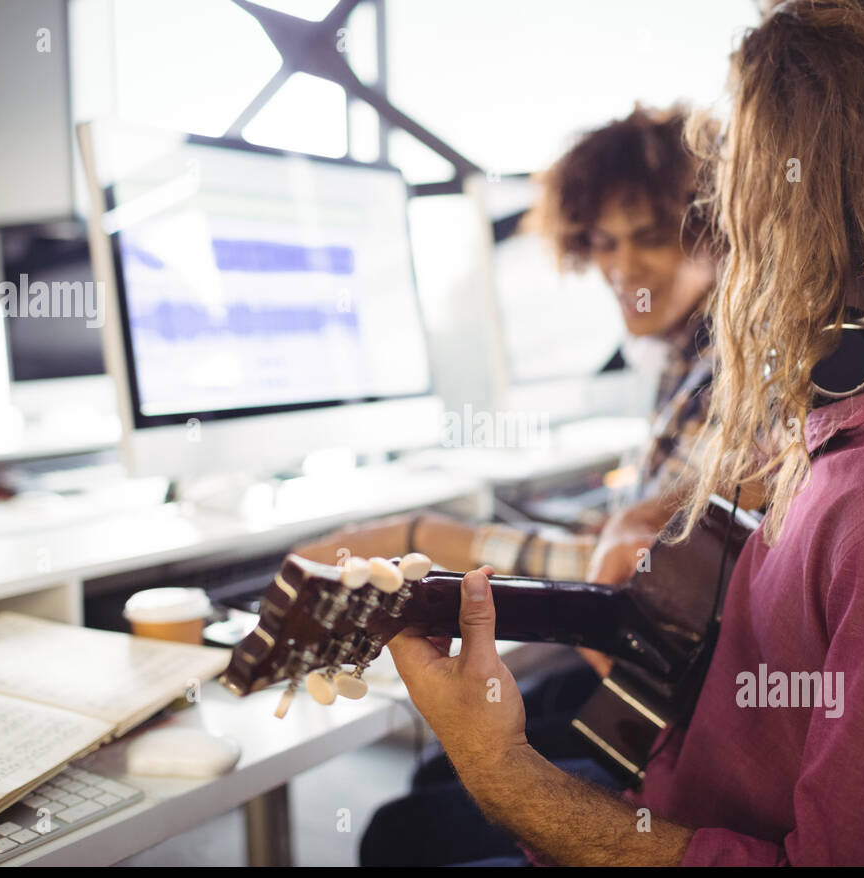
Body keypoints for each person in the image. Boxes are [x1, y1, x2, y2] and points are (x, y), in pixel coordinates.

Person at [384, 0, 864, 865]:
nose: (735, 223)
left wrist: (501, 773)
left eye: (746, 178)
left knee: (397, 836)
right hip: (670, 787)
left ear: (810, 199)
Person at [292, 105, 755, 611]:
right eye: (603, 243)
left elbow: (647, 570)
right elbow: (632, 536)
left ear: (716, 232)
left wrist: (421, 537)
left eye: (652, 238)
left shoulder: (733, 367)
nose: (623, 267)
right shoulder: (682, 359)